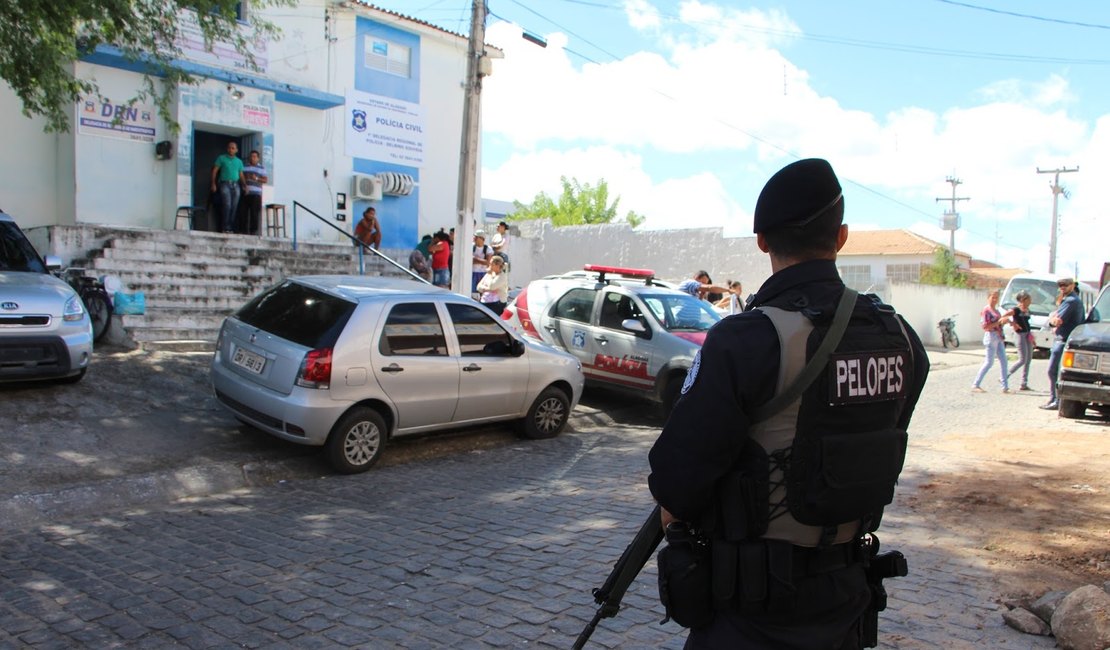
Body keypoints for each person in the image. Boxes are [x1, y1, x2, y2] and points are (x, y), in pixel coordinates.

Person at [648, 158, 929, 649]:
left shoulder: (744, 340)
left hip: (752, 611)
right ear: (841, 237)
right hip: (846, 598)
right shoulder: (901, 338)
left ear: (762, 241)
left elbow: (676, 484)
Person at [1041, 277, 1085, 410]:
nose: (1062, 287)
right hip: (1066, 340)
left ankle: (1056, 400)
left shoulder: (1071, 301)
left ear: (1072, 285)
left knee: (1053, 371)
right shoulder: (1073, 300)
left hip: (1063, 340)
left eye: (1065, 285)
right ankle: (1055, 399)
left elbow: (1056, 321)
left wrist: (1052, 320)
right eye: (1060, 285)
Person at [971, 289, 1010, 393]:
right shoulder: (986, 310)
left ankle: (1005, 386)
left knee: (1004, 361)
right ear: (988, 298)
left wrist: (1003, 322)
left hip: (998, 337)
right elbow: (985, 326)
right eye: (993, 297)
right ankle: (976, 384)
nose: (994, 300)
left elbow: (998, 323)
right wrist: (999, 322)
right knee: (989, 362)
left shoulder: (997, 311)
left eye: (996, 297)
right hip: (991, 336)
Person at [210, 141, 245, 234]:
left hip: (236, 184)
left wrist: (245, 186)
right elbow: (214, 171)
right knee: (227, 205)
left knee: (234, 206)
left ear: (236, 150)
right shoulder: (221, 158)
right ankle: (225, 227)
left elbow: (241, 175)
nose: (231, 149)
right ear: (227, 148)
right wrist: (213, 183)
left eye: (233, 148)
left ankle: (230, 227)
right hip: (224, 184)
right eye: (229, 147)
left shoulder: (239, 161)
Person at [1004, 290, 1034, 391]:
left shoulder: (1027, 309)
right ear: (1023, 299)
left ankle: (1024, 383)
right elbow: (1004, 316)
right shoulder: (1016, 310)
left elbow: (1027, 323)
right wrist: (1013, 324)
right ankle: (1005, 375)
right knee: (1022, 359)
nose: (1030, 300)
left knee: (1028, 359)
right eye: (1028, 298)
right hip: (1020, 335)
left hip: (1027, 334)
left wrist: (1032, 338)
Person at [240, 150, 267, 235]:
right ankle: (243, 231)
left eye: (255, 157)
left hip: (256, 194)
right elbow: (241, 177)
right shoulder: (244, 167)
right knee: (243, 212)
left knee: (254, 213)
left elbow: (265, 180)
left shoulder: (261, 168)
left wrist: (256, 178)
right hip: (245, 193)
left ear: (258, 158)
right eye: (251, 156)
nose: (253, 158)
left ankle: (253, 232)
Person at [471, 230, 494, 294]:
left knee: (482, 292)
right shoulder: (471, 247)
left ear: (481, 238)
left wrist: (474, 259)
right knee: (472, 293)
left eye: (476, 237)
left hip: (483, 274)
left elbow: (488, 263)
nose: (474, 238)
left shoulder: (488, 249)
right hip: (472, 273)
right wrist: (482, 261)